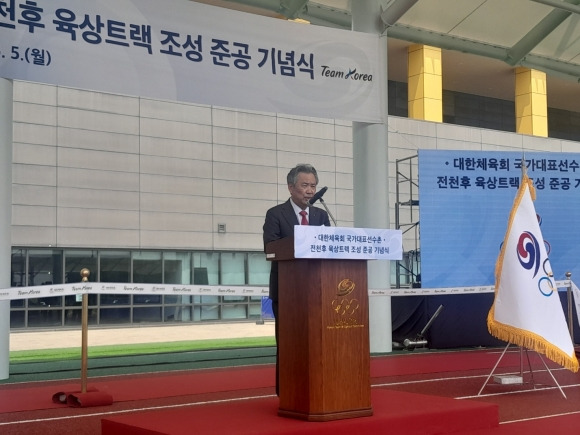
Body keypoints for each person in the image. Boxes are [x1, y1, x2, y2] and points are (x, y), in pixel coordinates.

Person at [262, 163, 331, 395]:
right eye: (305, 185)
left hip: (318, 291)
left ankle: (318, 386)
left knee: (317, 341)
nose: (310, 190)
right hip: (287, 292)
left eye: (313, 185)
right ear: (291, 187)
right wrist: (299, 243)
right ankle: (288, 391)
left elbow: (329, 249)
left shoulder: (321, 215)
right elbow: (270, 249)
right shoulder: (275, 214)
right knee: (289, 343)